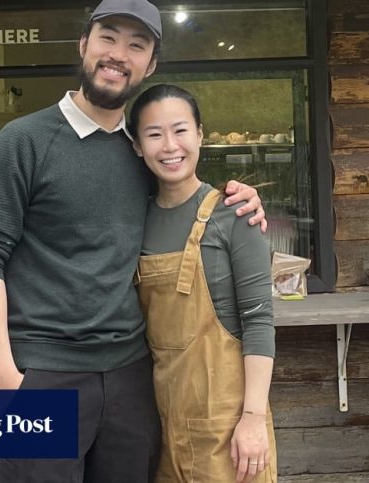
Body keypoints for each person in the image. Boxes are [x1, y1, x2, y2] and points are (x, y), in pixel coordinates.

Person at [0, 1, 266, 481]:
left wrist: (241, 198)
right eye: (108, 37)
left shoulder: (143, 152)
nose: (119, 54)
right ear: (84, 45)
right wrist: (5, 377)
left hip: (131, 376)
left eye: (136, 45)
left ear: (150, 65)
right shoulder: (21, 141)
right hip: (43, 373)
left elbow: (187, 199)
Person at [129, 84, 277, 483]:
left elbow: (259, 321)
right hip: (160, 426)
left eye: (180, 130)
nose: (170, 146)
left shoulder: (235, 214)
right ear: (138, 146)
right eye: (154, 134)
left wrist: (253, 418)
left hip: (227, 429)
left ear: (199, 135)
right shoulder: (134, 221)